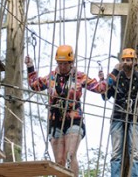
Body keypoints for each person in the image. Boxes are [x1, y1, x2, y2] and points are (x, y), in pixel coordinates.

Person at [25, 45, 106, 176]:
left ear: (71, 63)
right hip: (55, 121)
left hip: (74, 119)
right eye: (60, 63)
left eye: (65, 64)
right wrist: (30, 67)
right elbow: (35, 85)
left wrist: (111, 75)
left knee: (70, 154)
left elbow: (100, 88)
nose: (62, 67)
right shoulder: (51, 77)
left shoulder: (80, 77)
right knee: (59, 160)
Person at [100, 48, 138, 177]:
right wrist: (110, 74)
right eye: (123, 60)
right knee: (116, 153)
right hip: (118, 116)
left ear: (134, 61)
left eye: (128, 60)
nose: (125, 62)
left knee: (134, 153)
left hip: (136, 117)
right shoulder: (115, 77)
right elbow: (105, 96)